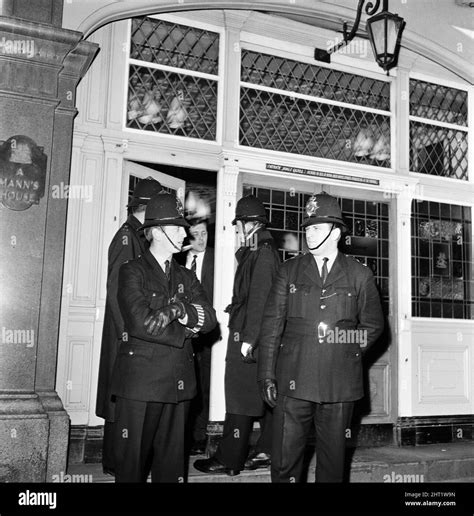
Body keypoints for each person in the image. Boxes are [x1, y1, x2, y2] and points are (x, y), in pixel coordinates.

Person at [257, 191, 384, 483]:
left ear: (336, 232)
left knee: (332, 466)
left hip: (338, 384)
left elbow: (374, 326)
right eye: (307, 227)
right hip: (293, 379)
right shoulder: (289, 271)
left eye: (316, 227)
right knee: (285, 463)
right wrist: (265, 375)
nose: (309, 233)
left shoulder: (359, 275)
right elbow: (272, 325)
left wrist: (343, 348)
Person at [110, 192, 217, 482]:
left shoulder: (186, 276)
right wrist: (187, 329)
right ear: (156, 232)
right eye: (177, 227)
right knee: (131, 467)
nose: (185, 233)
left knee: (171, 469)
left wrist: (179, 309)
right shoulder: (132, 271)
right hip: (140, 385)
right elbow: (143, 324)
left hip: (179, 386)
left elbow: (210, 319)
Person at [194, 195, 281, 476]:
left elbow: (261, 299)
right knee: (259, 395)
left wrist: (249, 340)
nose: (236, 231)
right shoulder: (258, 249)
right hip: (249, 330)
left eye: (238, 226)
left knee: (239, 396)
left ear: (249, 224)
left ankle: (230, 459)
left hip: (247, 333)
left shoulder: (262, 253)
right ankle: (267, 450)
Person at [96, 177, 162, 475]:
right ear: (145, 209)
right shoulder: (127, 238)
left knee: (124, 400)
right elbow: (115, 290)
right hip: (124, 333)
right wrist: (128, 333)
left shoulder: (136, 236)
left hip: (128, 332)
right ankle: (117, 463)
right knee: (121, 400)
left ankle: (119, 462)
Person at [176, 218, 220, 455]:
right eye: (195, 234)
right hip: (182, 332)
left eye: (204, 233)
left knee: (203, 383)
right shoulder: (178, 259)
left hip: (207, 331)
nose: (201, 239)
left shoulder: (217, 257)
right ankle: (180, 434)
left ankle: (199, 436)